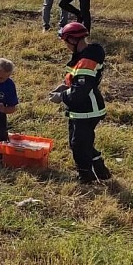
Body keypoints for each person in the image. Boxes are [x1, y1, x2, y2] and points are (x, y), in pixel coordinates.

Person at [49, 22, 110, 183]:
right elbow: (78, 83)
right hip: (81, 109)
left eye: (66, 41)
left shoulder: (86, 61)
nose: (66, 45)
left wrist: (61, 96)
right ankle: (101, 171)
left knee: (79, 144)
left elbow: (80, 92)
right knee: (80, 142)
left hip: (87, 110)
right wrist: (65, 85)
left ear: (74, 40)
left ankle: (85, 176)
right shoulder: (83, 56)